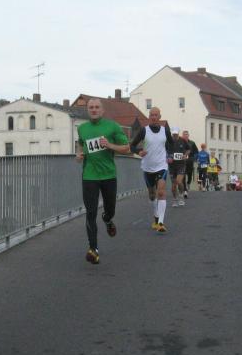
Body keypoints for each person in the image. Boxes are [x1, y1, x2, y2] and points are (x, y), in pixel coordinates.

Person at [75, 98, 131, 264]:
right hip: (89, 176)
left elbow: (126, 148)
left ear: (102, 110)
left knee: (110, 210)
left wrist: (110, 145)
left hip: (108, 175)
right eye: (91, 107)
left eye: (97, 107)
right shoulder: (82, 128)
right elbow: (80, 144)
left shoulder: (112, 126)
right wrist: (79, 154)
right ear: (88, 110)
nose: (94, 110)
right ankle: (93, 249)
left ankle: (107, 219)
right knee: (90, 212)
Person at [129, 107, 174, 233]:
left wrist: (170, 155)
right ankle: (156, 216)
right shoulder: (144, 130)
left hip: (161, 165)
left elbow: (171, 144)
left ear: (160, 116)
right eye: (151, 115)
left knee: (161, 192)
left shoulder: (165, 130)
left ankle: (161, 223)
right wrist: (139, 151)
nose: (153, 117)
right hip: (147, 166)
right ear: (149, 116)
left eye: (156, 115)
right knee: (152, 194)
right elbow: (132, 145)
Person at [168, 127, 190, 207]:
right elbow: (164, 150)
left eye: (176, 134)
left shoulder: (183, 140)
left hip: (181, 165)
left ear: (178, 133)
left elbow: (188, 149)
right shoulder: (168, 141)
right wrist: (168, 157)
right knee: (173, 185)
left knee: (179, 181)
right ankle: (175, 199)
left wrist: (185, 155)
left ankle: (181, 196)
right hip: (172, 166)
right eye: (173, 134)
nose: (174, 136)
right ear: (172, 134)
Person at [181, 130, 198, 198]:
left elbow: (196, 152)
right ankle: (185, 190)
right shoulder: (180, 142)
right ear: (182, 136)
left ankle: (188, 183)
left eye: (186, 134)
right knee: (183, 175)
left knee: (190, 174)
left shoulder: (192, 143)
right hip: (182, 161)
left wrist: (194, 158)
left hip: (190, 160)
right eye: (184, 134)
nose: (185, 136)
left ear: (188, 135)